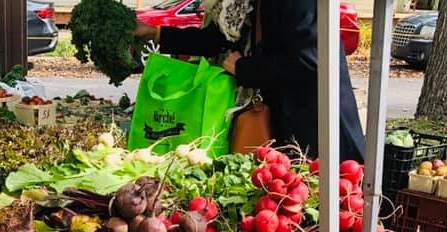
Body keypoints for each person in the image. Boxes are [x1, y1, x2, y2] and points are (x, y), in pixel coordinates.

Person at [134, 0, 365, 163]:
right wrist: (155, 33)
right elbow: (217, 39)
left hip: (316, 128)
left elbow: (310, 60)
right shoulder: (243, 4)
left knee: (327, 214)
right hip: (279, 123)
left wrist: (244, 68)